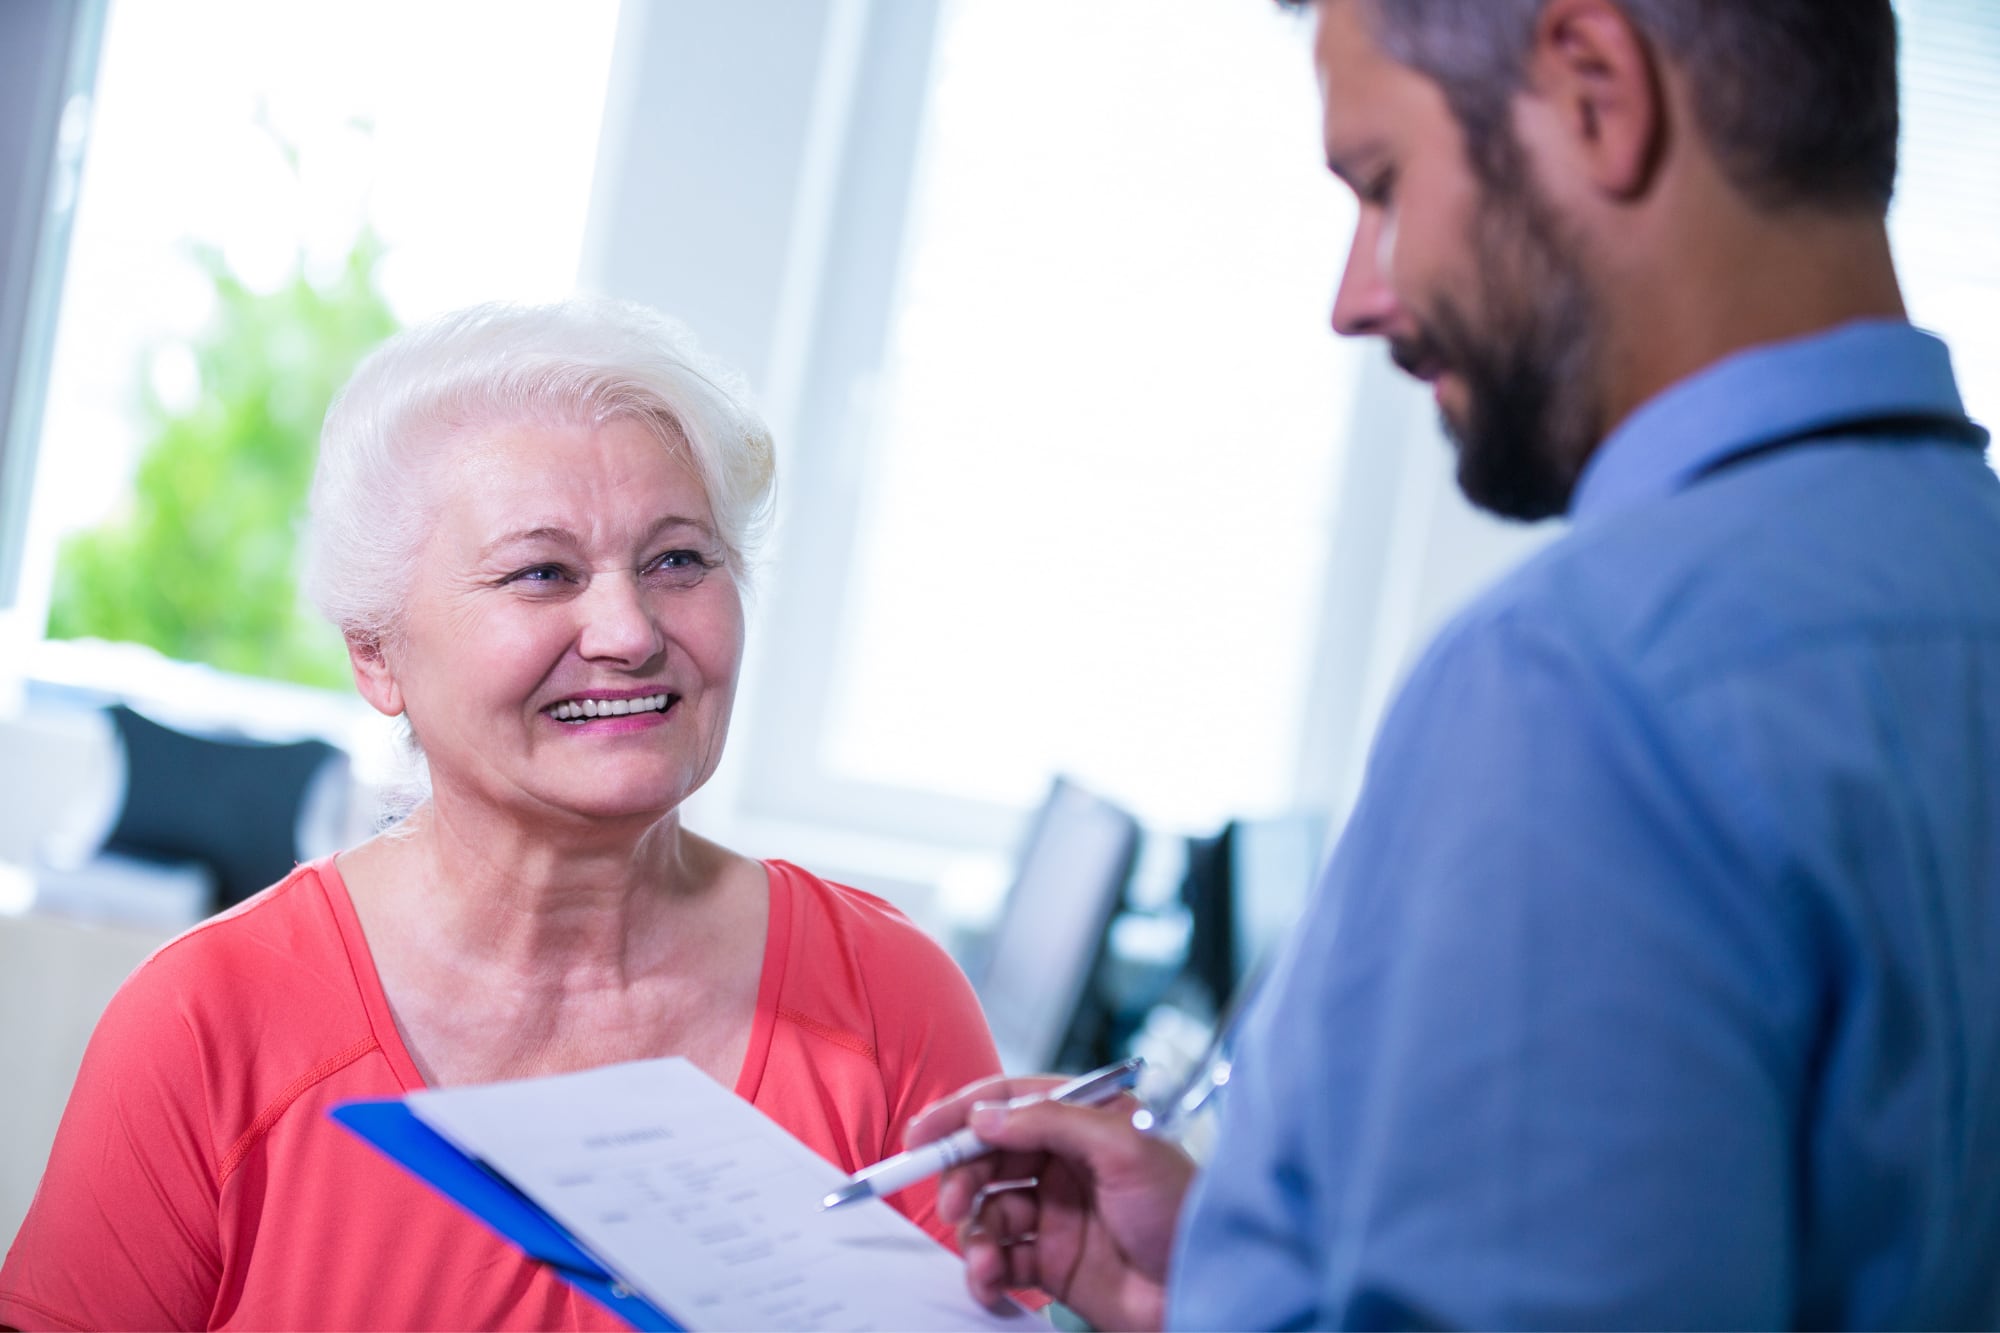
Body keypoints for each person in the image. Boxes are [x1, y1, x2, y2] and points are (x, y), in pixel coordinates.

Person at [909, 0, 2000, 1326]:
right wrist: (1225, 1283)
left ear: (1594, 90)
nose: (1354, 299)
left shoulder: (1578, 682)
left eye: (1382, 184)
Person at [0, 298, 1002, 1332]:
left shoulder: (890, 1002)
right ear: (376, 653)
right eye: (542, 573)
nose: (627, 631)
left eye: (677, 560)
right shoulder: (205, 1021)